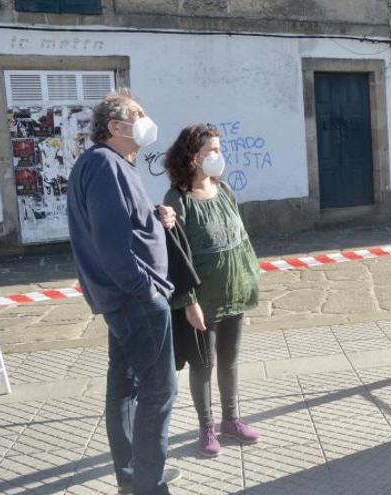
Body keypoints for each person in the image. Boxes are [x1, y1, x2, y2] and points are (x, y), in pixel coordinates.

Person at [66, 90, 180, 495]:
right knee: (159, 392)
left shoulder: (110, 164)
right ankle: (150, 485)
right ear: (116, 127)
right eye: (139, 114)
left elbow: (121, 222)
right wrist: (145, 291)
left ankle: (133, 478)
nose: (147, 120)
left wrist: (155, 217)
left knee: (126, 388)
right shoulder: (103, 164)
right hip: (135, 302)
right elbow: (112, 245)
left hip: (125, 299)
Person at [162, 124, 261, 458]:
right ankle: (206, 429)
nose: (219, 156)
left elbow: (241, 241)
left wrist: (249, 285)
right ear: (193, 157)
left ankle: (231, 420)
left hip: (232, 295)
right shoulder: (176, 199)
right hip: (201, 302)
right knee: (203, 365)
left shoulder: (225, 189)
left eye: (219, 150)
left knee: (230, 361)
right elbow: (175, 258)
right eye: (212, 151)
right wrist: (188, 303)